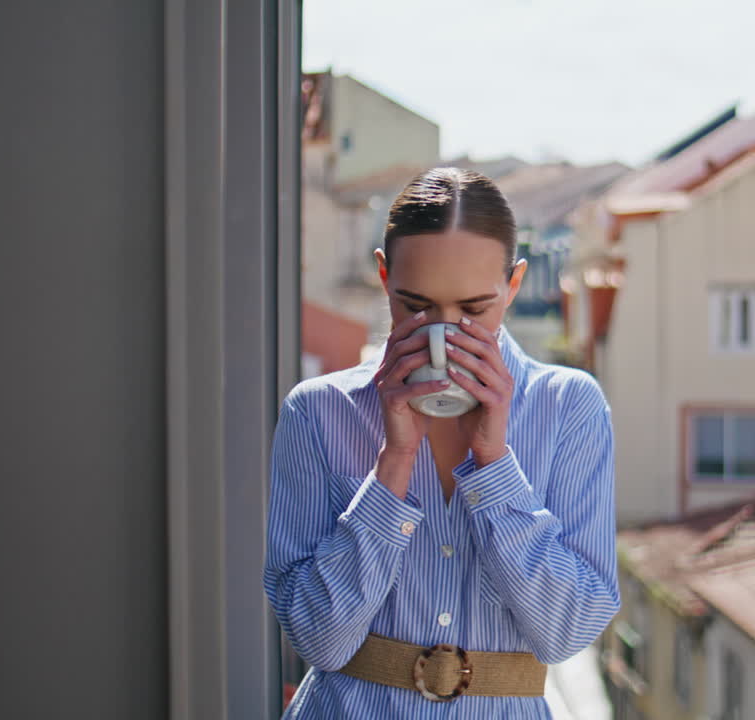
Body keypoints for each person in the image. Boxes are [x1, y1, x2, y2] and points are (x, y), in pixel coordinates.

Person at [263, 167, 619, 719]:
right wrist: (393, 464)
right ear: (385, 278)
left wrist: (495, 465)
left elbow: (566, 632)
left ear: (514, 286)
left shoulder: (569, 407)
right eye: (416, 306)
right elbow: (318, 639)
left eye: (474, 310)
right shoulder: (318, 412)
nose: (444, 335)